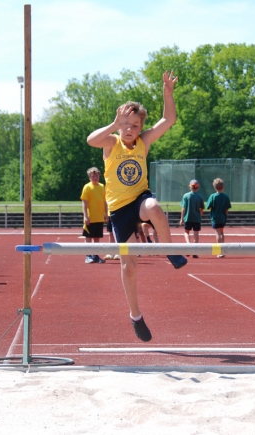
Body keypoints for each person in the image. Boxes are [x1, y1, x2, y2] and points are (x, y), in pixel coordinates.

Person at [87, 70, 187, 342]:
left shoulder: (143, 142)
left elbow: (169, 119)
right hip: (119, 210)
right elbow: (91, 140)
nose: (130, 129)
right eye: (126, 124)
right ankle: (135, 315)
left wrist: (168, 94)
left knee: (154, 207)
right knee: (129, 266)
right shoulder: (112, 142)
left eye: (134, 125)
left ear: (141, 128)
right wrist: (113, 123)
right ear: (120, 124)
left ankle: (171, 252)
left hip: (140, 199)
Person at [81, 167, 107, 264]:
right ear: (89, 177)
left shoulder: (102, 186)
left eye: (96, 175)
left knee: (97, 237)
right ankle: (88, 256)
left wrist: (106, 213)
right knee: (88, 237)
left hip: (99, 217)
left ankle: (95, 255)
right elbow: (84, 202)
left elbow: (104, 201)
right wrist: (85, 216)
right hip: (90, 217)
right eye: (93, 176)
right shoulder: (87, 187)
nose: (95, 177)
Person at [206, 178, 232, 258]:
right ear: (223, 187)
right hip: (223, 217)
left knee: (217, 233)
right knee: (221, 232)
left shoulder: (213, 196)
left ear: (214, 187)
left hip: (215, 217)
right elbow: (227, 208)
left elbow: (208, 206)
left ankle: (219, 251)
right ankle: (223, 250)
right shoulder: (225, 196)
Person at [179, 179, 204, 258]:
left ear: (190, 186)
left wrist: (181, 218)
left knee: (186, 232)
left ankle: (188, 244)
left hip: (188, 217)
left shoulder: (186, 196)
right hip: (196, 218)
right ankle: (195, 251)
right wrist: (199, 215)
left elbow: (183, 208)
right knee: (196, 234)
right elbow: (202, 209)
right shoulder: (200, 196)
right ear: (198, 187)